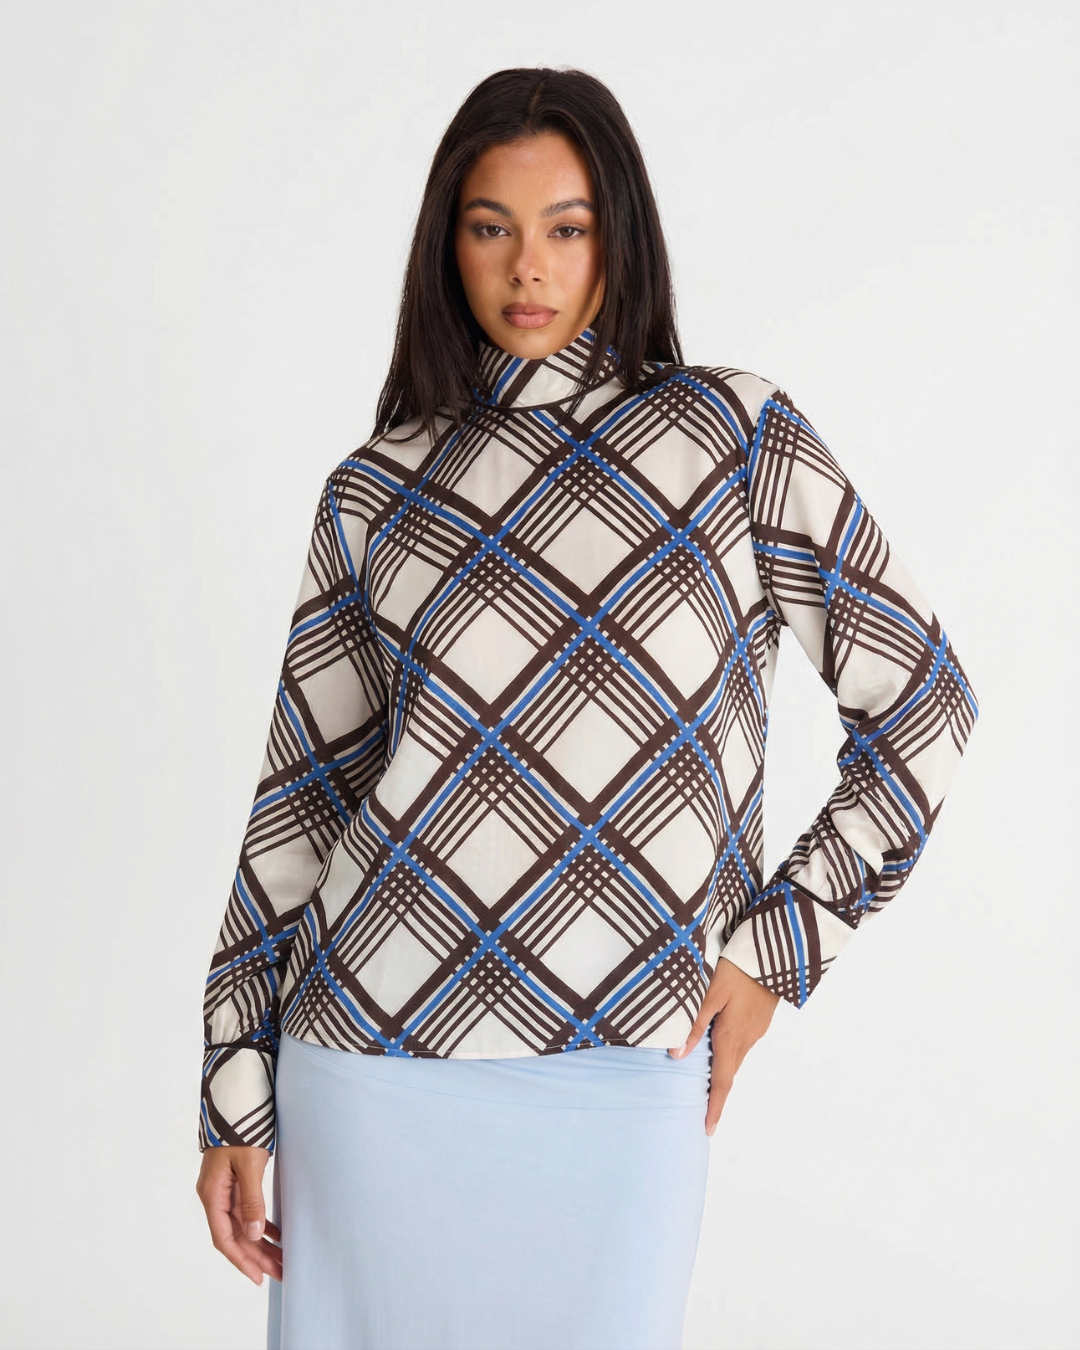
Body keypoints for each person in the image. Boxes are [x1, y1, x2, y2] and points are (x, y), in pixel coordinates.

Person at [195, 66, 978, 1350]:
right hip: (367, 1060)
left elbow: (926, 702)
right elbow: (302, 807)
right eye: (490, 226)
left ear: (620, 236)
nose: (529, 268)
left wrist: (777, 950)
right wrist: (233, 1085)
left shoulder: (734, 438)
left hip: (628, 1063)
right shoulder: (376, 489)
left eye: (568, 228)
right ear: (446, 243)